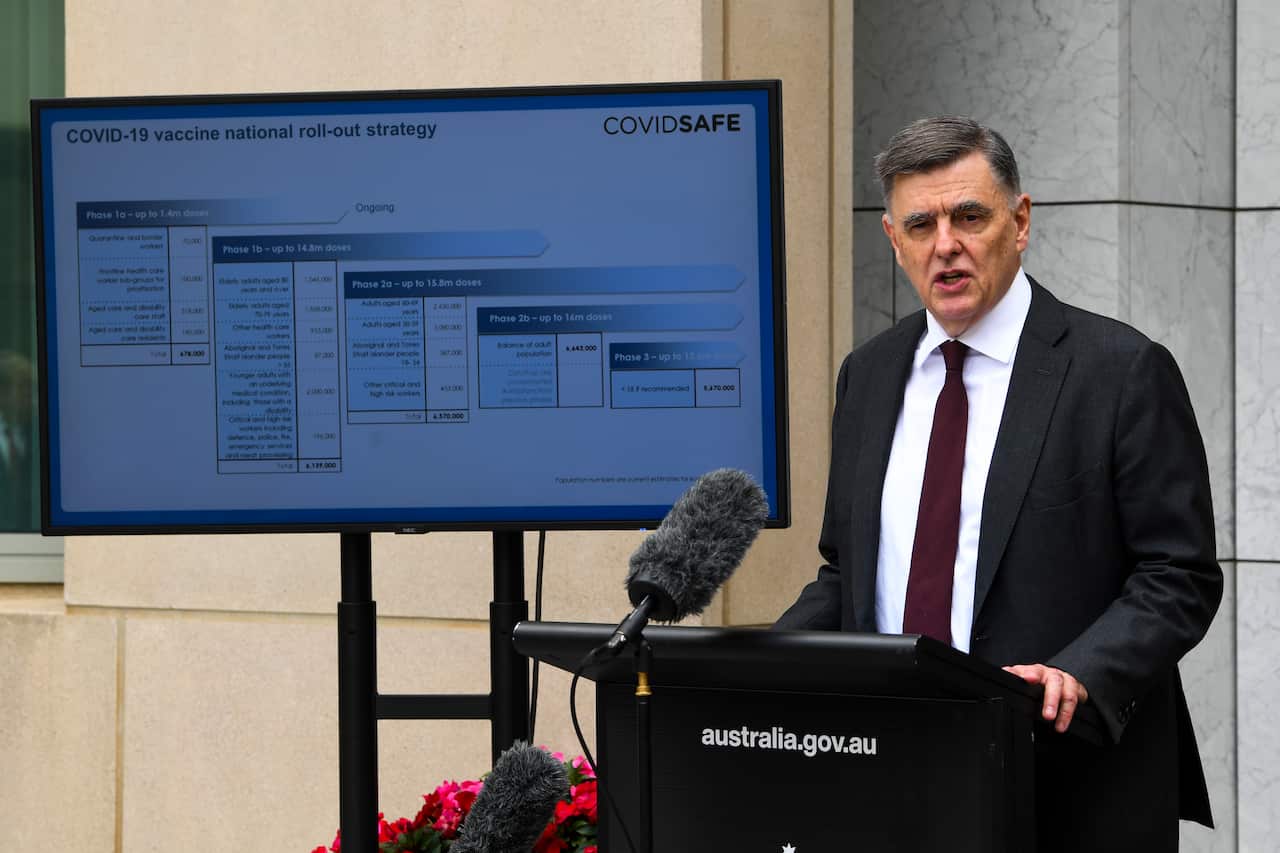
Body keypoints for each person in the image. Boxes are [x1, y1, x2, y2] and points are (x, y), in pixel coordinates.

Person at [774, 116, 1222, 851]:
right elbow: (846, 570)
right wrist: (761, 660)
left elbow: (1179, 574)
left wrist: (1077, 672)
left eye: (968, 216)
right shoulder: (868, 375)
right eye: (921, 224)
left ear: (1019, 222)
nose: (944, 244)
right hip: (894, 779)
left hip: (1068, 784)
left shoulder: (1120, 370)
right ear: (893, 239)